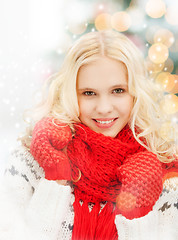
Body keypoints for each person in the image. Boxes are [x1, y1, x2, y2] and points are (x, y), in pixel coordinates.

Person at [0, 30, 177, 240]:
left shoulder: (165, 172)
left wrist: (138, 214)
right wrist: (55, 179)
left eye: (118, 90)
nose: (103, 108)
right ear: (69, 93)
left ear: (136, 93)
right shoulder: (30, 160)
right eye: (89, 93)